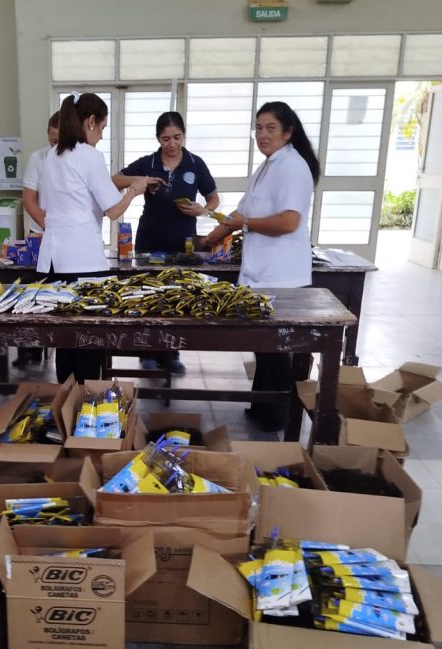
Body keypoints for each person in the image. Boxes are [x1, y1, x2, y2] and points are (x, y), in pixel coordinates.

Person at [202, 101, 321, 432]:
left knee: (277, 349)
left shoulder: (293, 167)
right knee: (265, 349)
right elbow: (239, 214)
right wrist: (207, 241)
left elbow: (289, 222)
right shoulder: (267, 167)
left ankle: (276, 417)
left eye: (270, 128)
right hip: (260, 273)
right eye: (258, 128)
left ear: (288, 132)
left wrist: (245, 224)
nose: (262, 135)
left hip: (283, 275)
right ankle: (262, 409)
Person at [37, 92, 158, 383]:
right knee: (89, 339)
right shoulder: (89, 156)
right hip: (83, 260)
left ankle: (66, 398)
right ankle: (89, 400)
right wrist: (134, 189)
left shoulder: (52, 156)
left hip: (54, 259)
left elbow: (59, 203)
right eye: (102, 128)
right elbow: (113, 210)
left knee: (65, 339)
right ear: (91, 121)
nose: (102, 136)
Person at [114, 111, 220, 375]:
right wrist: (141, 181)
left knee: (177, 296)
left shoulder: (195, 164)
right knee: (148, 295)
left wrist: (203, 210)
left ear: (184, 135)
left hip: (183, 242)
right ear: (157, 138)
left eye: (177, 137)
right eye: (165, 139)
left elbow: (213, 198)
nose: (172, 144)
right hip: (150, 239)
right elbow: (115, 180)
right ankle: (147, 352)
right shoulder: (148, 162)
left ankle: (171, 353)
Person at [14, 111, 61, 369]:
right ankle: (31, 347)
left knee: (61, 292)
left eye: (60, 141)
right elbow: (29, 200)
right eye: (52, 140)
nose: (55, 146)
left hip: (67, 237)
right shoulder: (38, 158)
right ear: (47, 135)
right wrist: (47, 226)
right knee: (33, 291)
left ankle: (63, 343)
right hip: (40, 233)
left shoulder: (80, 159)